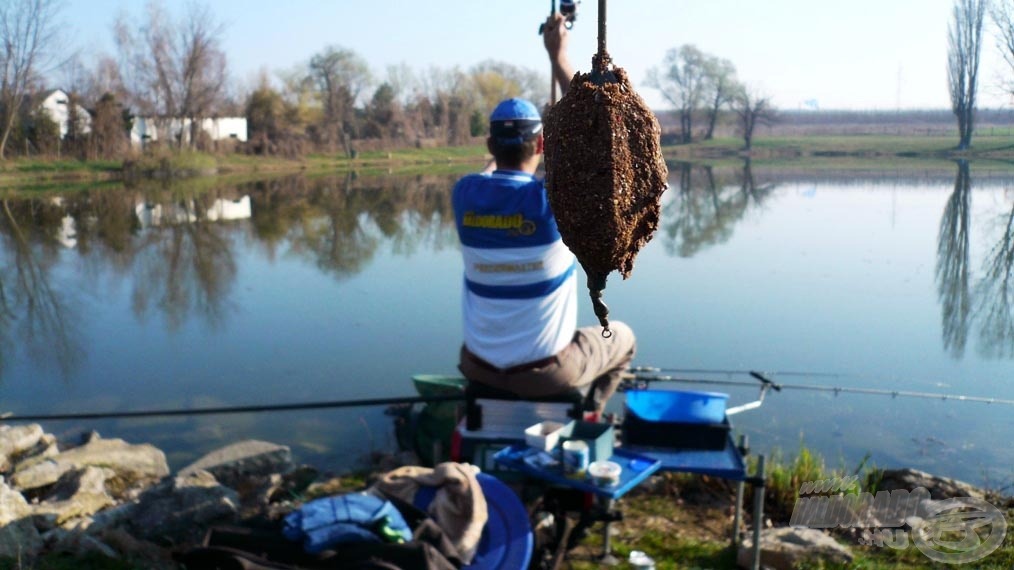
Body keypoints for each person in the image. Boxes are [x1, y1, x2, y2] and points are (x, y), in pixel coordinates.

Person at [451, 14, 636, 415]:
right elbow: (599, 130)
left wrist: (523, 145)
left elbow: (491, 175)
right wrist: (559, 57)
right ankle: (591, 412)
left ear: (489, 145)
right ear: (541, 143)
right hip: (543, 375)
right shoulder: (554, 202)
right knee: (623, 338)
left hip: (476, 366)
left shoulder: (465, 195)